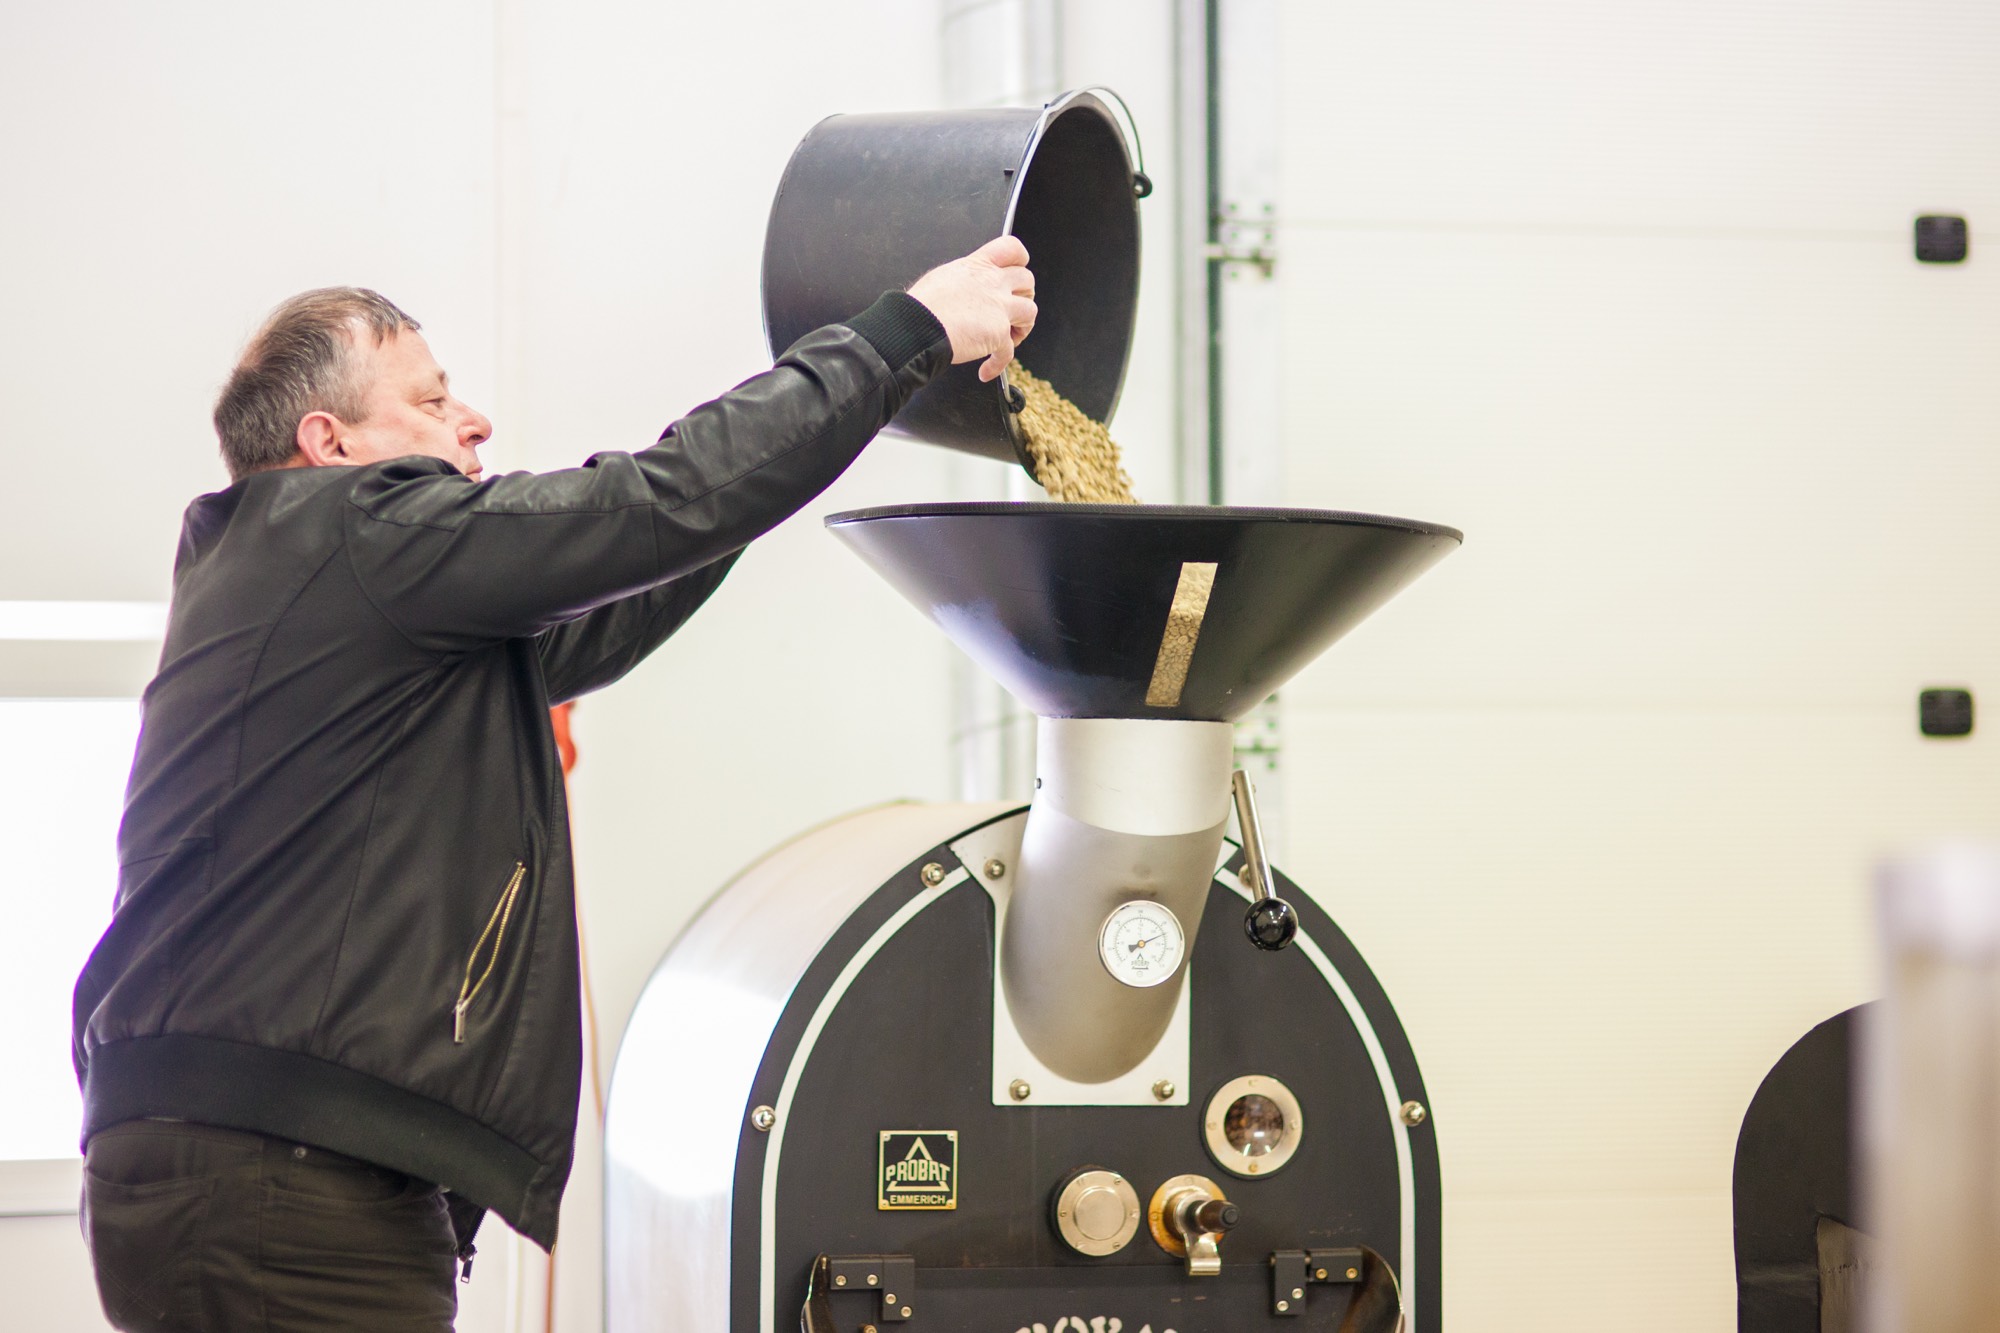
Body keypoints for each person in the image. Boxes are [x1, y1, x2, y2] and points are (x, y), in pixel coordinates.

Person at [70, 237, 1036, 1331]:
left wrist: (843, 398)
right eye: (432, 402)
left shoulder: (327, 598)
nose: (471, 421)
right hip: (283, 1169)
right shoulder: (351, 537)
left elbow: (645, 556)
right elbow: (648, 505)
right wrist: (899, 333)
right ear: (327, 441)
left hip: (238, 1149)